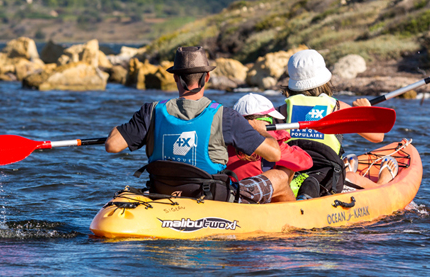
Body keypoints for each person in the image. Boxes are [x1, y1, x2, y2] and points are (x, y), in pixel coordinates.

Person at [105, 46, 283, 204]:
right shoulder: (226, 116)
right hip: (211, 198)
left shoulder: (150, 112)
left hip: (161, 193)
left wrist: (119, 130)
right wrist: (261, 130)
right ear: (206, 77)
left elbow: (112, 145)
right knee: (279, 177)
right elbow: (274, 154)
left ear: (175, 77)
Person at [280, 49, 398, 199]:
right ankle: (381, 184)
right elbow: (377, 136)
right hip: (327, 180)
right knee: (351, 178)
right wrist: (365, 110)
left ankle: (343, 166)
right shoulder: (337, 107)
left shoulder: (283, 110)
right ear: (324, 80)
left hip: (293, 177)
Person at [226, 93, 313, 202]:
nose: (272, 123)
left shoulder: (226, 137)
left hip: (230, 193)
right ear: (260, 121)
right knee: (287, 168)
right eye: (271, 120)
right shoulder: (272, 145)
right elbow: (306, 162)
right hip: (258, 198)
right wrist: (275, 136)